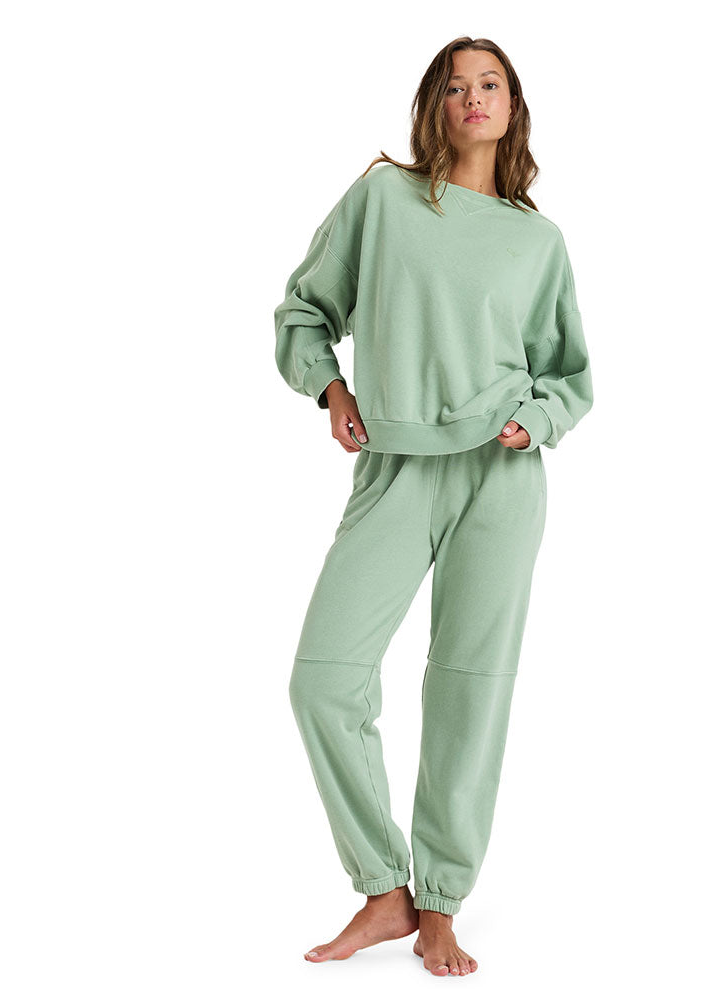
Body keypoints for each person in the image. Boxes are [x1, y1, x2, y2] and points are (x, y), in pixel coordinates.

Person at [273, 36, 594, 977]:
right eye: (455, 86)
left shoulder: (538, 242)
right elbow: (304, 310)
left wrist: (534, 422)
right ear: (435, 105)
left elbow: (569, 373)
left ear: (512, 104)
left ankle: (441, 905)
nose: (472, 97)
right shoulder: (384, 199)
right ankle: (385, 890)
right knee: (324, 681)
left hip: (500, 475)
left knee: (467, 688)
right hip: (395, 467)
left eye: (489, 83)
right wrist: (331, 389)